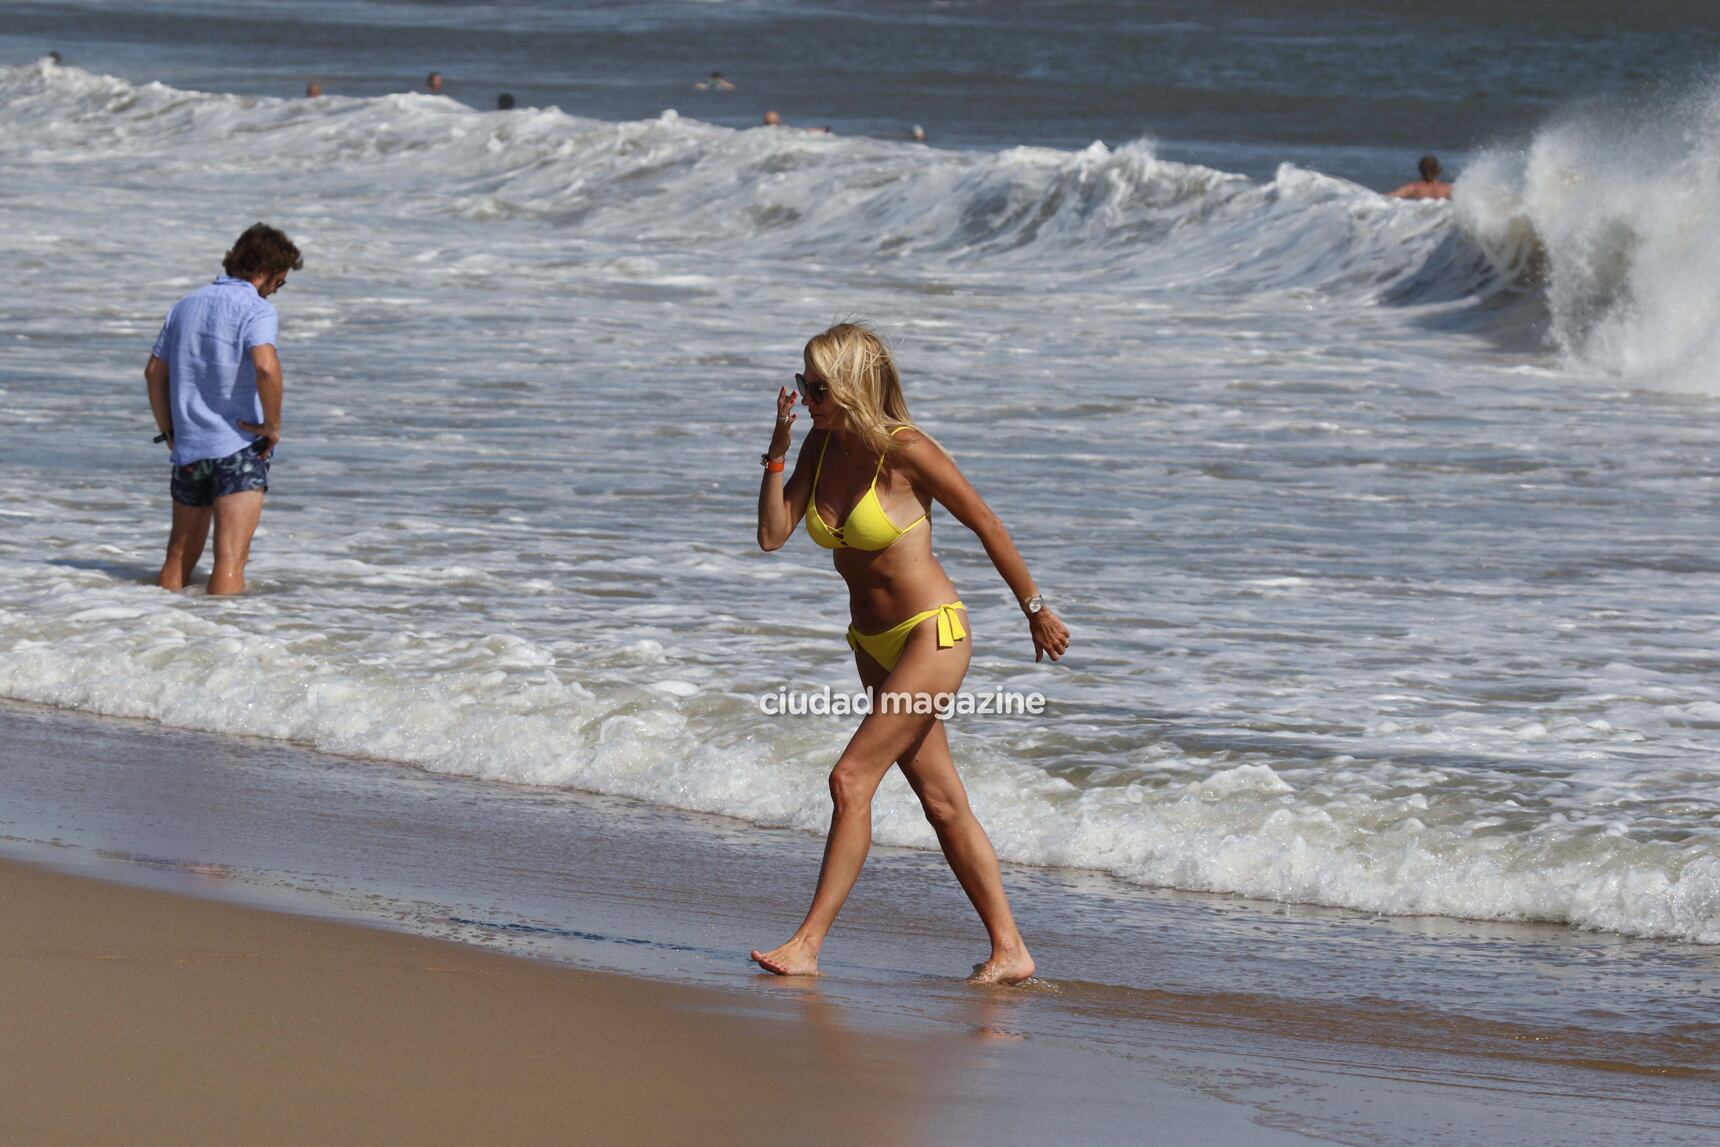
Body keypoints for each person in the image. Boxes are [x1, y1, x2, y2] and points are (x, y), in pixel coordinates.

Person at [751, 322, 1069, 984]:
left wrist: (1035, 610)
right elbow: (773, 535)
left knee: (850, 778)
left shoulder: (906, 450)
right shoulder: (818, 441)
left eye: (816, 386)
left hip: (932, 633)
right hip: (872, 643)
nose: (805, 396)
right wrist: (777, 452)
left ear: (848, 385)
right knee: (942, 800)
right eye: (804, 383)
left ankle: (807, 944)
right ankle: (1011, 949)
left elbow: (986, 521)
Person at [144, 223, 302, 595]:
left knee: (179, 555)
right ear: (265, 272)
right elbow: (266, 366)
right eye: (279, 283)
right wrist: (272, 424)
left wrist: (169, 431)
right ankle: (220, 644)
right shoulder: (255, 309)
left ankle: (156, 628)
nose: (276, 292)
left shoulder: (185, 305)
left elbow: (153, 373)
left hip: (189, 445)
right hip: (238, 444)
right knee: (231, 557)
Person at [1387, 155, 1453, 200]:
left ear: (1420, 169)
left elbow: (1389, 197)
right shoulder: (1447, 189)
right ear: (1438, 170)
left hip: (1421, 220)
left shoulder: (1413, 188)